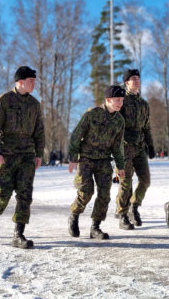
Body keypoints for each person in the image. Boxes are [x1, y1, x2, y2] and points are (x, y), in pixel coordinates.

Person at [0, 66, 45, 249]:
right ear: (20, 82)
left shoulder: (35, 104)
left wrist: (39, 154)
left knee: (25, 195)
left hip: (27, 155)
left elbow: (39, 131)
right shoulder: (4, 101)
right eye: (30, 81)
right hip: (6, 155)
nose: (34, 84)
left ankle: (18, 234)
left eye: (34, 81)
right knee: (3, 194)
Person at [67, 85, 126, 240]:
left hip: (104, 161)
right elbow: (76, 135)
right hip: (86, 159)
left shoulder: (120, 121)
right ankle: (74, 215)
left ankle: (95, 227)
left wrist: (120, 166)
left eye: (122, 100)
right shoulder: (92, 114)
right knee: (86, 192)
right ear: (108, 100)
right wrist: (73, 158)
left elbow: (117, 146)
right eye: (117, 100)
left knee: (104, 195)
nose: (120, 102)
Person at [114, 69, 155, 230]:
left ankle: (134, 206)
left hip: (139, 147)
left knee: (145, 180)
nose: (137, 80)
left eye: (138, 78)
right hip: (124, 147)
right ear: (126, 83)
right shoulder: (121, 100)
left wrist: (150, 145)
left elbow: (146, 126)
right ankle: (122, 215)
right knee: (125, 182)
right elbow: (115, 124)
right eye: (133, 78)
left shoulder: (143, 104)